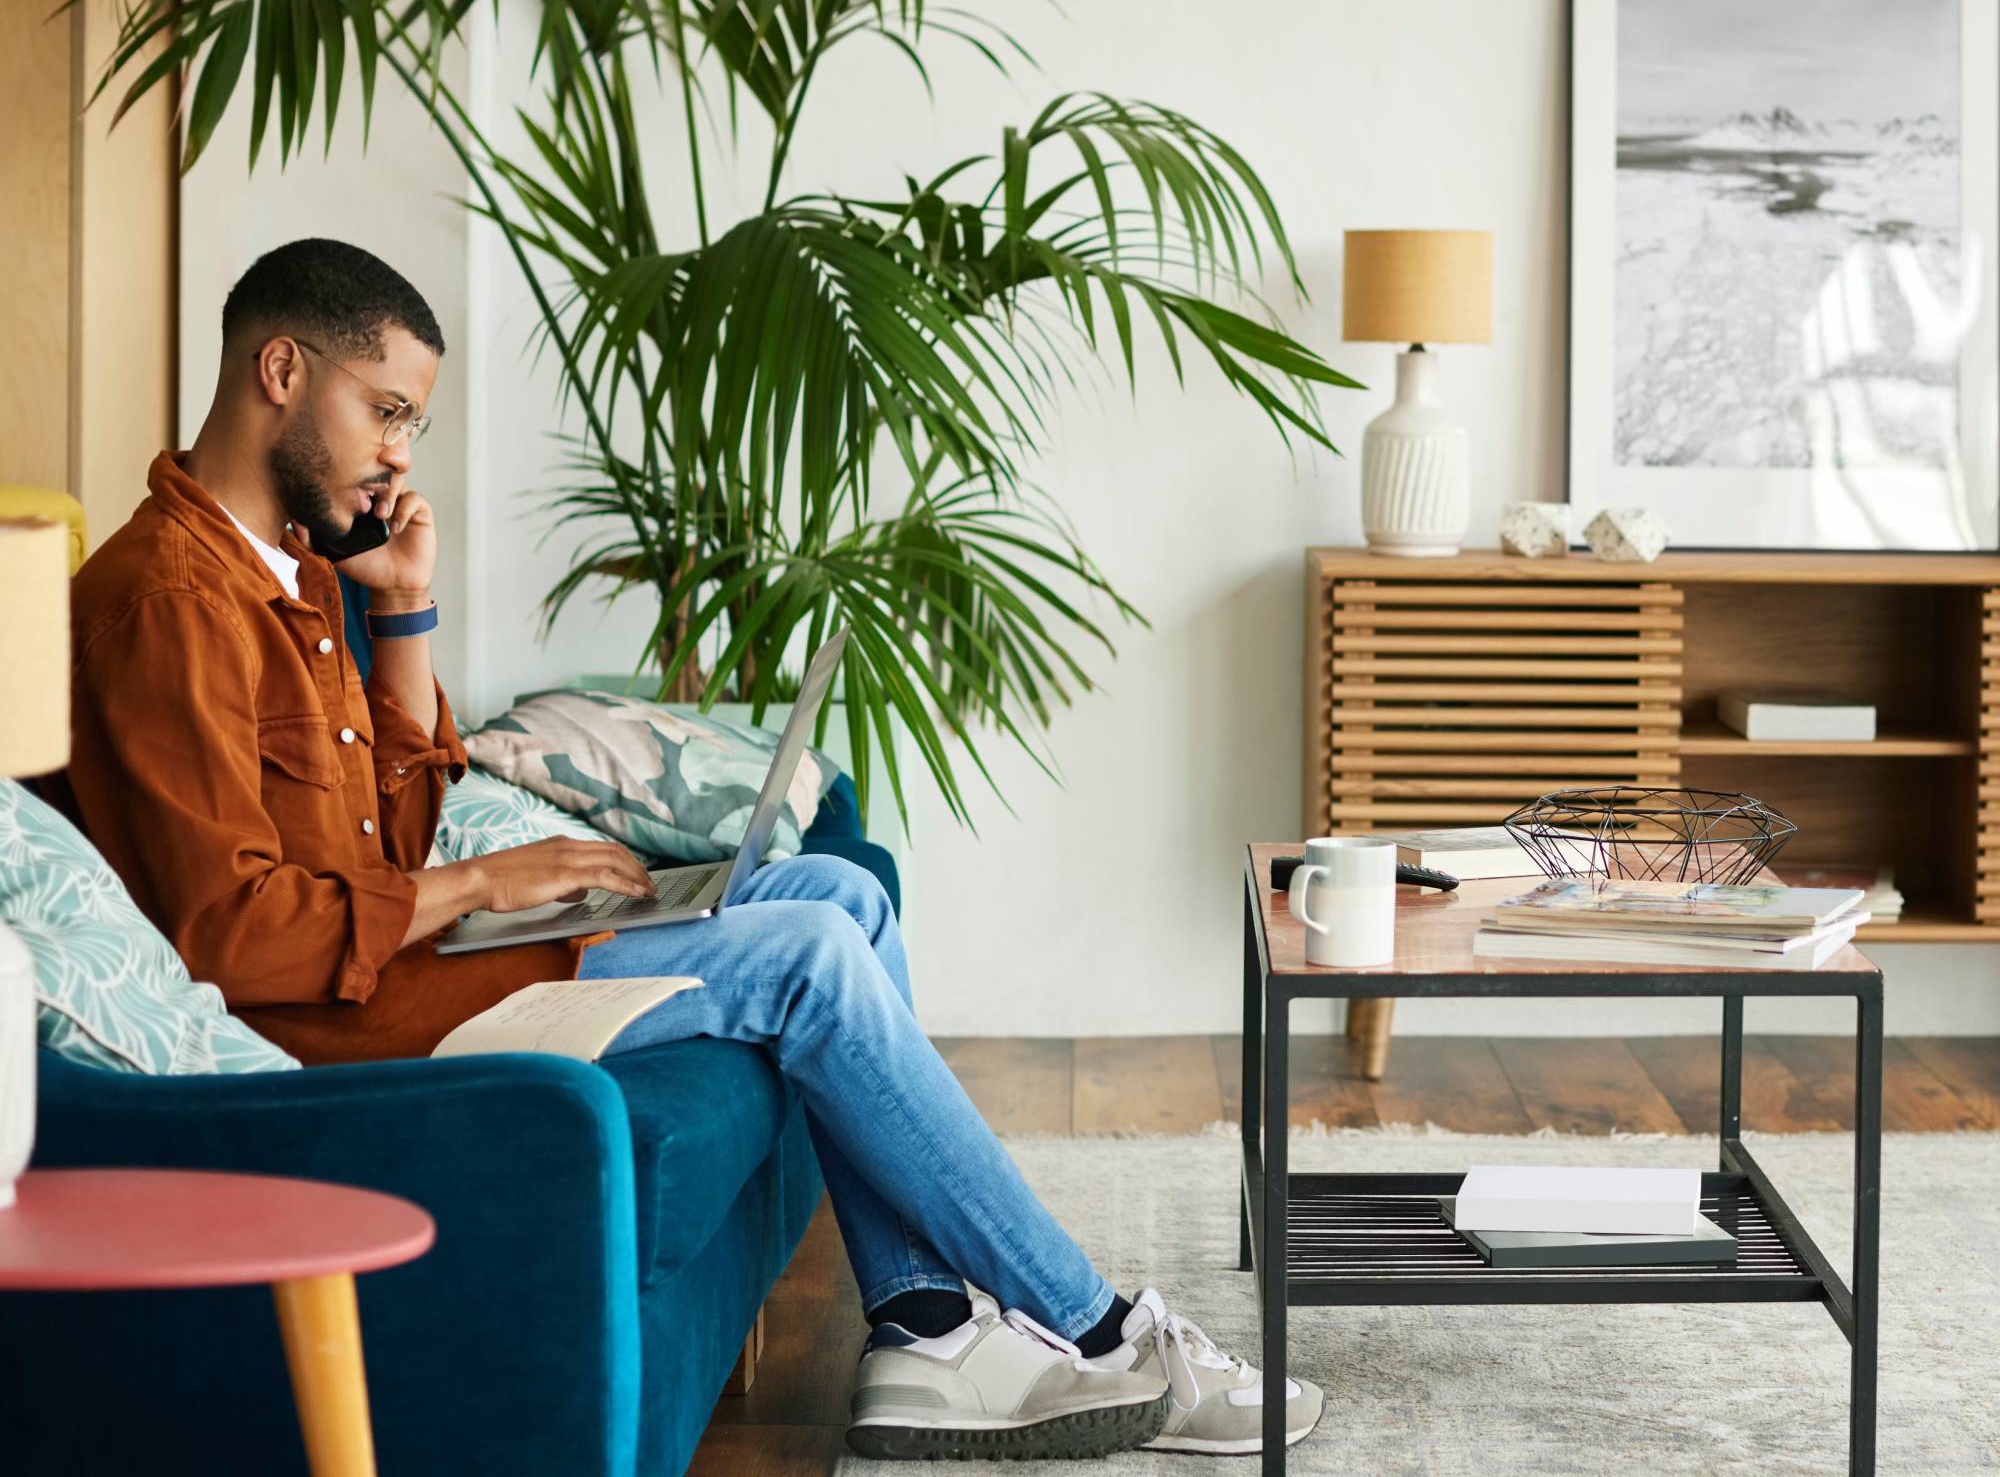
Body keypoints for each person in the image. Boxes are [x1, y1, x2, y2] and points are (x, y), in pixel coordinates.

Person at [67, 238, 1324, 1460]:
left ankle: (926, 1324)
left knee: (834, 887)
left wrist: (400, 607)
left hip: (410, 957)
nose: (400, 452)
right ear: (281, 370)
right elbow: (234, 936)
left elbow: (392, 839)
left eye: (413, 422)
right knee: (807, 956)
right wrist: (490, 881)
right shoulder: (165, 599)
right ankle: (1100, 1329)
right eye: (386, 410)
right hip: (353, 1017)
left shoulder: (293, 572)